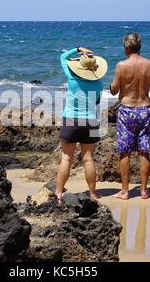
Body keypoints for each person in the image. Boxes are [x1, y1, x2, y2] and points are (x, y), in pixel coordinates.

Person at [110, 33, 150, 200]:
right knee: (143, 150)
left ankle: (125, 191)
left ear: (127, 48)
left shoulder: (121, 66)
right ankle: (144, 191)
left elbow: (114, 90)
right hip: (145, 110)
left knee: (125, 152)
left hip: (127, 110)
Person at [55, 47, 108, 201]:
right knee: (88, 159)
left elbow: (63, 57)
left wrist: (78, 49)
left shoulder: (71, 79)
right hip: (90, 120)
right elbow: (96, 101)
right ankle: (92, 193)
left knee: (66, 158)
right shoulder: (98, 84)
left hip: (71, 119)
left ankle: (58, 192)